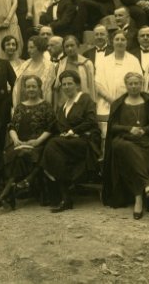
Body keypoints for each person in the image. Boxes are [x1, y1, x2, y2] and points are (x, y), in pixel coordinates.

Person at [102, 72, 149, 219]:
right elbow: (113, 127)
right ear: (126, 85)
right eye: (130, 83)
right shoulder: (119, 103)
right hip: (124, 140)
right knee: (123, 147)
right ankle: (147, 183)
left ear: (141, 84)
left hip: (144, 141)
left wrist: (145, 130)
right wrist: (129, 129)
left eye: (136, 83)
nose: (134, 86)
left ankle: (139, 198)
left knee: (134, 155)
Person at [41, 71, 101, 212]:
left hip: (86, 142)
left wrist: (74, 132)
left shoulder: (85, 100)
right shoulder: (63, 106)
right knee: (54, 150)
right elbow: (56, 126)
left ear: (78, 85)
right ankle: (66, 197)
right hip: (67, 145)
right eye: (64, 85)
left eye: (70, 84)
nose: (67, 87)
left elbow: (91, 121)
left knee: (52, 144)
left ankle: (55, 188)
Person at [0, 75, 54, 209]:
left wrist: (38, 141)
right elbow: (11, 126)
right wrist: (15, 139)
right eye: (28, 86)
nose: (31, 89)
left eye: (34, 86)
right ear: (24, 89)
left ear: (40, 88)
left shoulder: (46, 106)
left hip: (38, 143)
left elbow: (51, 128)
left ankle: (8, 193)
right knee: (13, 153)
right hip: (20, 142)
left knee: (22, 155)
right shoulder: (19, 106)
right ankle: (13, 189)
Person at [94, 31, 143, 140]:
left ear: (127, 42)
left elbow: (139, 82)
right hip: (106, 104)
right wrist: (112, 100)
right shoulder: (103, 61)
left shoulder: (134, 61)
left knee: (126, 136)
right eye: (117, 39)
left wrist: (123, 102)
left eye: (123, 39)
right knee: (106, 137)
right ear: (112, 42)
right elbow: (97, 84)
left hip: (128, 104)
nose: (120, 42)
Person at [54, 36, 96, 108]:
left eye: (72, 45)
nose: (70, 48)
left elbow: (92, 87)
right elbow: (57, 88)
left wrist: (92, 106)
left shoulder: (87, 64)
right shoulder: (60, 65)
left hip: (82, 105)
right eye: (67, 46)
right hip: (64, 104)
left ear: (78, 46)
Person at [13, 36, 56, 106]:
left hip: (39, 106)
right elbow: (16, 87)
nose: (28, 50)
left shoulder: (49, 66)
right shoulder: (25, 65)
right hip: (23, 105)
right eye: (28, 48)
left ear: (39, 48)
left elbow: (48, 90)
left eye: (31, 47)